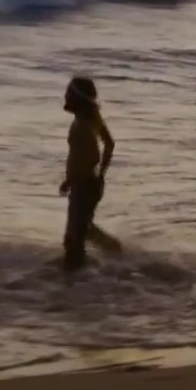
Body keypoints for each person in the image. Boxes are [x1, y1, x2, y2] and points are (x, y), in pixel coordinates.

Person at [60, 76, 124, 271]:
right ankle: (114, 251)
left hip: (85, 184)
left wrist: (88, 176)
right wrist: (99, 174)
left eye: (68, 93)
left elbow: (90, 155)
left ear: (78, 99)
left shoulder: (84, 124)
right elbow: (108, 144)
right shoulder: (90, 119)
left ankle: (77, 276)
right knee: (82, 229)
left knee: (74, 238)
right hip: (86, 182)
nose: (65, 97)